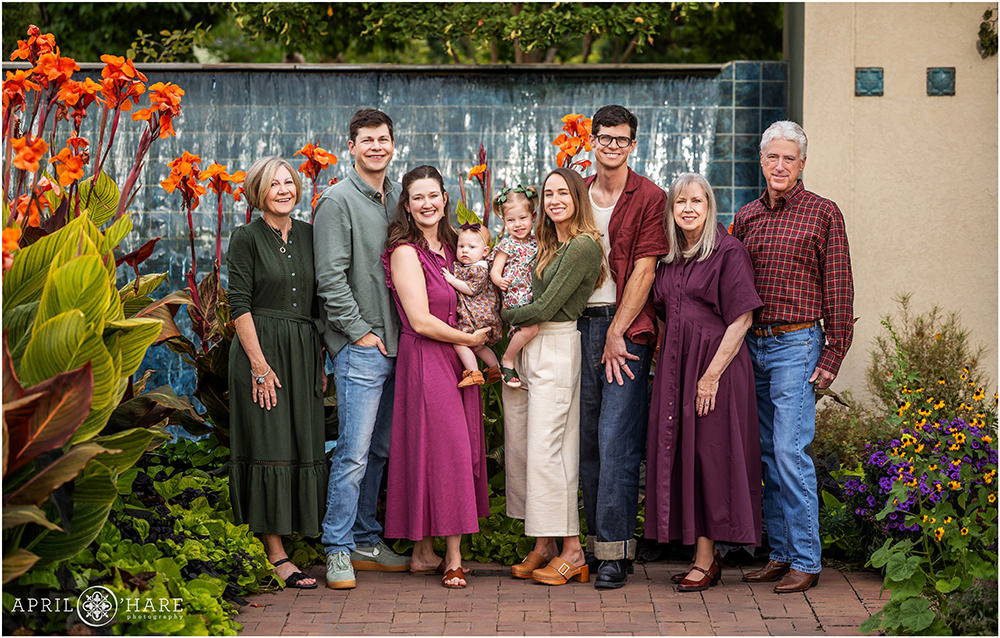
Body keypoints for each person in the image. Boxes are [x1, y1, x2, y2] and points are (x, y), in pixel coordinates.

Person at [733, 120, 854, 594]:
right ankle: (780, 554)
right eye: (772, 157)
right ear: (761, 162)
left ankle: (807, 559)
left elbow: (839, 285)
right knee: (767, 454)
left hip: (798, 345)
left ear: (802, 162)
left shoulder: (824, 213)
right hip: (753, 346)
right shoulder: (746, 217)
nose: (780, 165)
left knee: (789, 452)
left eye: (789, 157)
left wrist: (833, 352)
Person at [645, 173, 763, 592]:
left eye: (697, 201)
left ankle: (708, 560)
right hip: (677, 369)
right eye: (681, 202)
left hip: (716, 369)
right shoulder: (670, 258)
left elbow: (742, 318)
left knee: (710, 458)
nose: (689, 209)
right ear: (672, 210)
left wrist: (710, 376)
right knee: (685, 457)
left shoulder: (728, 251)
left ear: (709, 206)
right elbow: (661, 313)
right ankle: (700, 555)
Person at [381, 165, 491, 589]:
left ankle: (424, 553)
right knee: (444, 452)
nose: (427, 204)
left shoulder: (456, 247)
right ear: (407, 206)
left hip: (460, 359)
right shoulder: (406, 252)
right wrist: (470, 338)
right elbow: (421, 320)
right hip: (427, 357)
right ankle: (452, 558)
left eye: (433, 195)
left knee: (449, 451)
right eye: (417, 198)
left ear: (445, 198)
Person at [313, 109, 409, 589]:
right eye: (367, 140)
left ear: (393, 145)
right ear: (351, 146)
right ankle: (337, 547)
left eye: (383, 139)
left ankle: (367, 539)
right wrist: (358, 332)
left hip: (402, 347)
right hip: (364, 347)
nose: (376, 146)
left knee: (381, 450)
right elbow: (329, 278)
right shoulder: (337, 200)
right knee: (352, 452)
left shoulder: (397, 198)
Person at [579, 104, 670, 589]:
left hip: (627, 332)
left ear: (632, 145)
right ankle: (598, 549)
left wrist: (617, 330)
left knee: (616, 441)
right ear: (591, 140)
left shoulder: (650, 197)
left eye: (621, 140)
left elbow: (645, 269)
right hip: (574, 327)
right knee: (588, 441)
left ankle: (615, 554)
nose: (612, 146)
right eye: (604, 138)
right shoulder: (577, 189)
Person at [227, 156, 327, 590]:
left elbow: (318, 304)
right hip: (261, 350)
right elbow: (238, 305)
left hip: (303, 352)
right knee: (269, 442)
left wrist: (320, 361)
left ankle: (298, 534)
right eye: (274, 184)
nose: (284, 189)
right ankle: (276, 553)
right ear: (259, 191)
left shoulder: (310, 234)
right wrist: (259, 365)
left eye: (290, 182)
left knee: (299, 441)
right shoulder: (245, 237)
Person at [501, 167, 604, 586]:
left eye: (563, 192)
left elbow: (544, 308)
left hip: (557, 345)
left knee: (551, 452)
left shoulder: (583, 245)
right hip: (531, 347)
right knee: (525, 447)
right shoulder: (547, 243)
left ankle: (573, 550)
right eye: (548, 193)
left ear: (578, 196)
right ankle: (544, 543)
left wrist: (505, 316)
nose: (555, 200)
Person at [489, 185, 540, 389]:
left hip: (533, 293)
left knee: (531, 330)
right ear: (504, 221)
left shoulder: (537, 242)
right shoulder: (506, 245)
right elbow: (495, 271)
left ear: (533, 216)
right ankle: (507, 360)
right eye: (511, 220)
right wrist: (499, 281)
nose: (517, 224)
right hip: (517, 294)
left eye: (522, 218)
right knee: (530, 328)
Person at [441, 222, 502, 387]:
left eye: (471, 247)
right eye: (461, 246)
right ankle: (495, 368)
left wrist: (452, 280)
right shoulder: (473, 265)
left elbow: (471, 289)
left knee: (460, 341)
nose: (464, 250)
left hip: (477, 315)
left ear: (484, 252)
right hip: (480, 314)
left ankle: (474, 372)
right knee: (478, 347)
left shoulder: (479, 269)